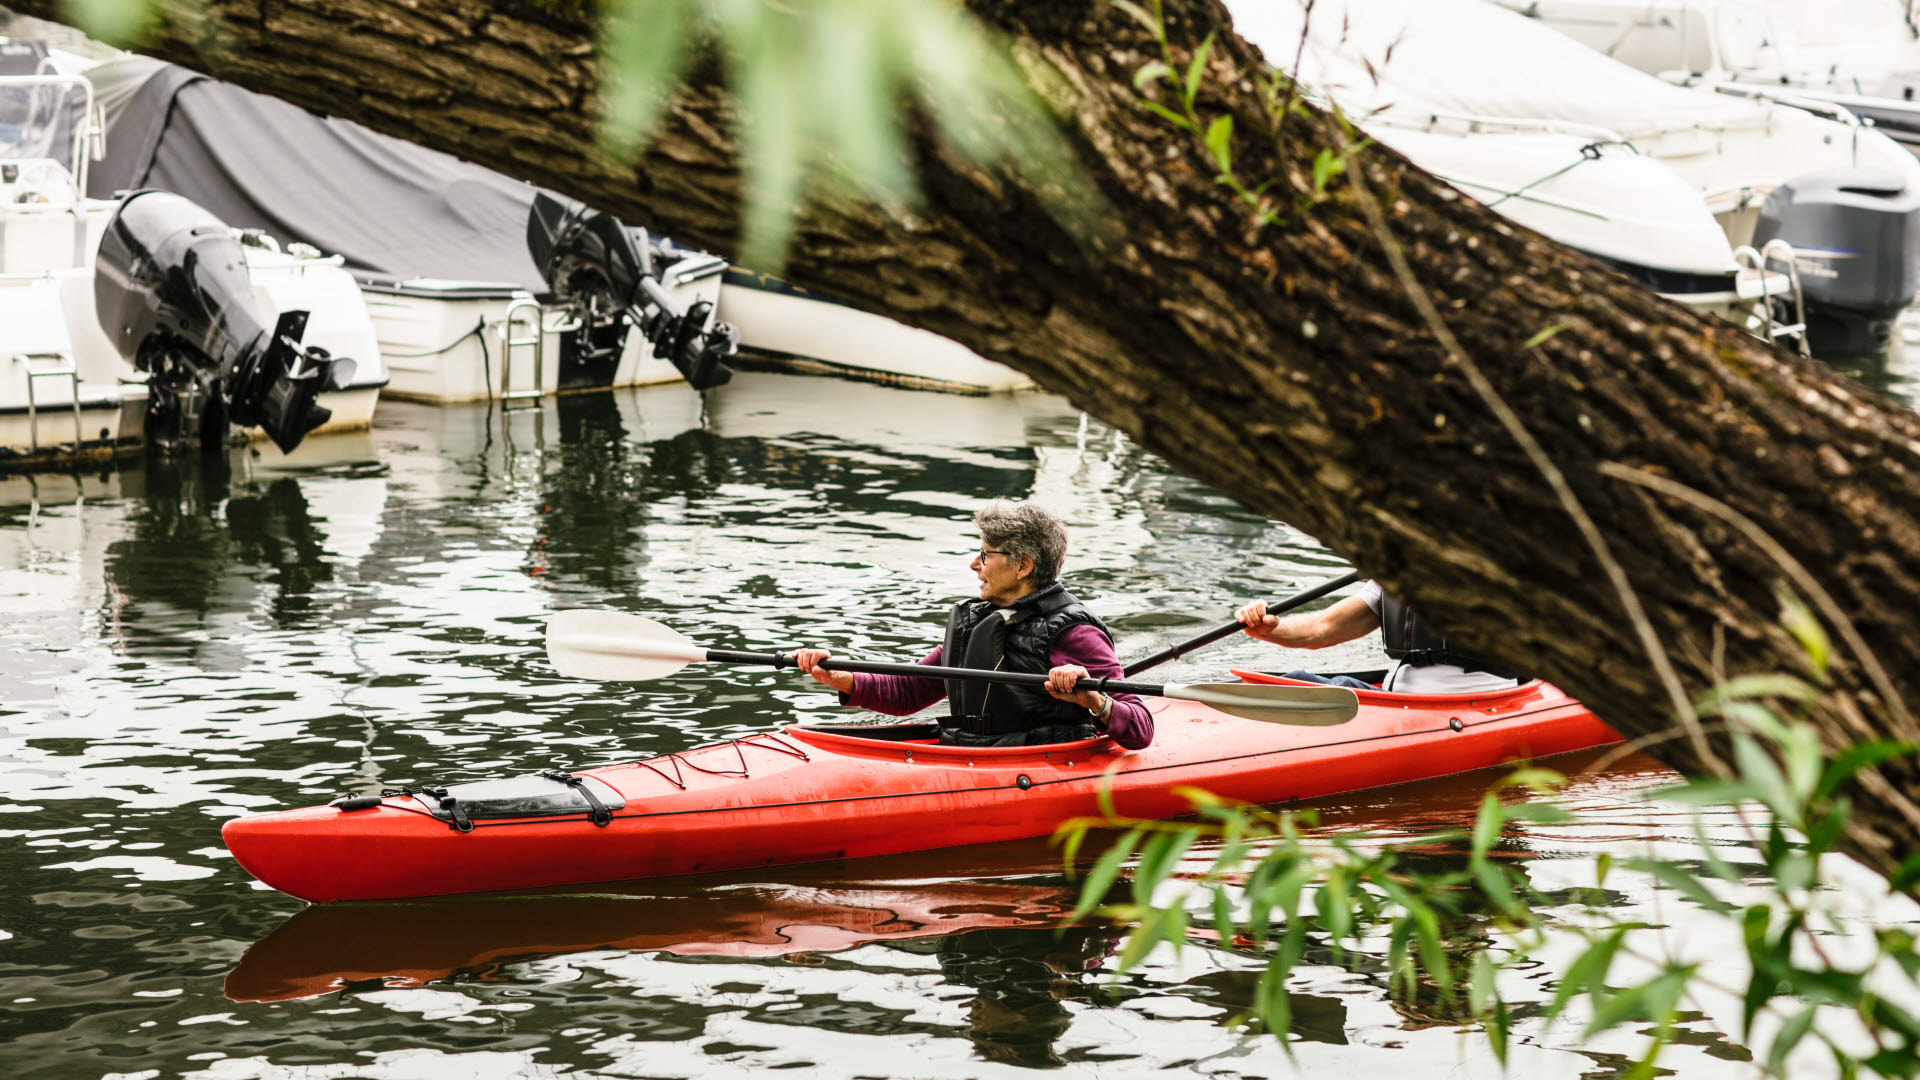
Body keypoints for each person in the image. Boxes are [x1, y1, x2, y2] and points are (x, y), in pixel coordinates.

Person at [793, 500, 1153, 749]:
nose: (974, 564)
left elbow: (1141, 727)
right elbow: (909, 691)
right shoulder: (978, 622)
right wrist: (839, 676)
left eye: (985, 554)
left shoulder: (1075, 632)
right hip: (972, 749)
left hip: (1037, 764)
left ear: (1023, 566)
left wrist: (1095, 701)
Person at [1234, 580, 1521, 694]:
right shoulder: (1388, 581)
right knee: (1297, 679)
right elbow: (1321, 629)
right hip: (1395, 703)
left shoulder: (1485, 574)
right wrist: (1270, 628)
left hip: (1468, 704)